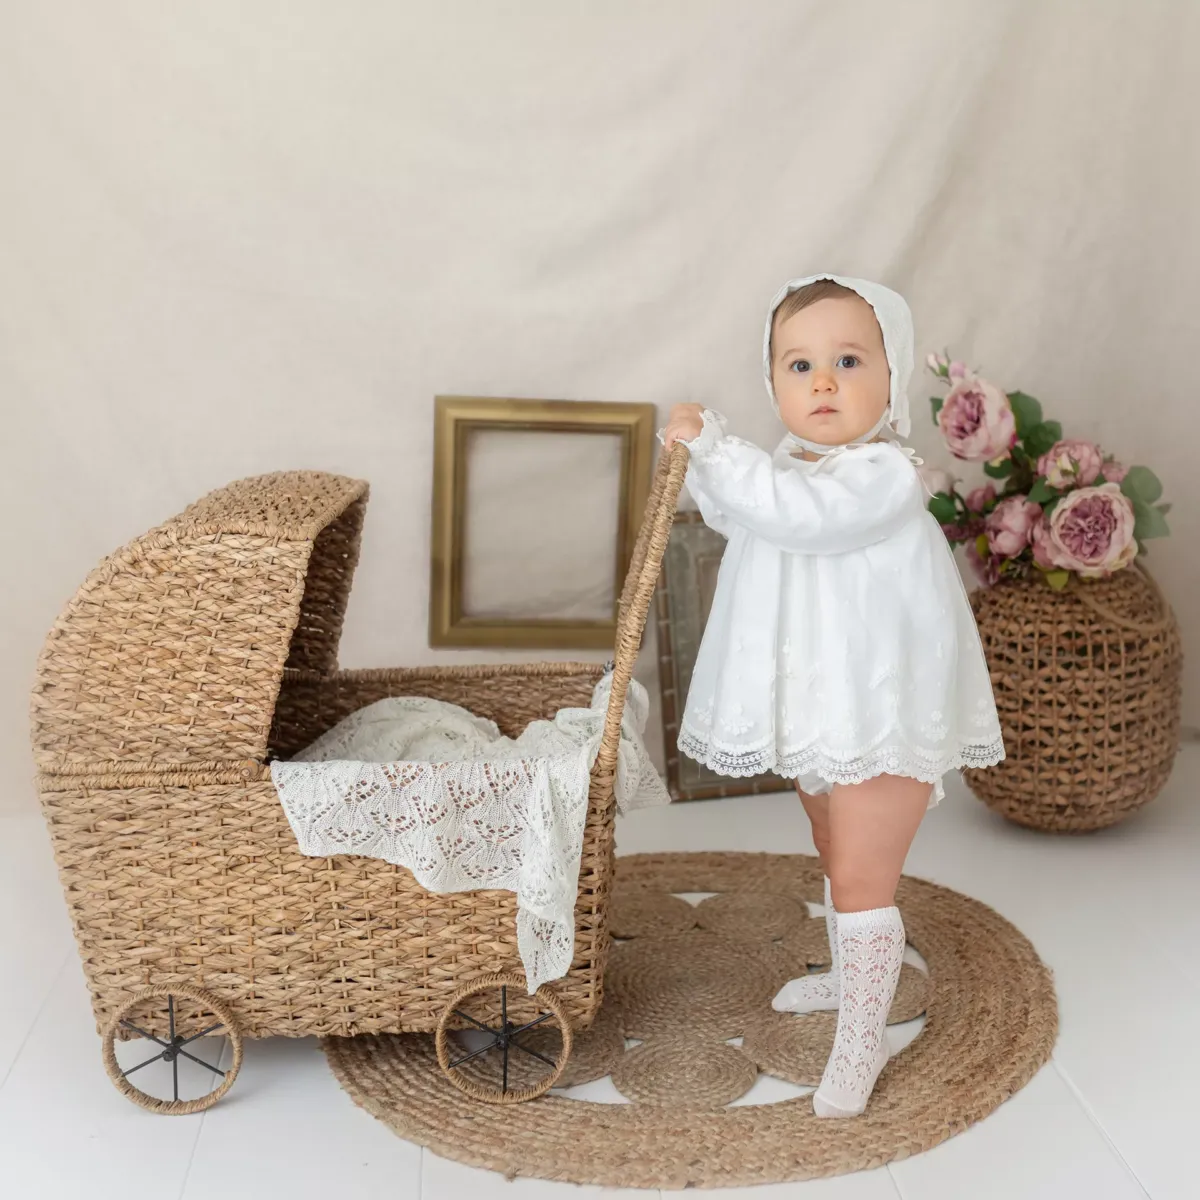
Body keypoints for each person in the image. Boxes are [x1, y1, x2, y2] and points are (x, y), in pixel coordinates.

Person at [660, 273, 1004, 1117]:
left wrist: (718, 451)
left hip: (878, 706)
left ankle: (863, 1035)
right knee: (827, 833)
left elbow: (798, 516)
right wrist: (703, 466)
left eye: (848, 360)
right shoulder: (791, 465)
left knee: (860, 867)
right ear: (772, 381)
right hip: (823, 701)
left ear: (890, 383)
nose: (821, 382)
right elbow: (748, 514)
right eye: (798, 364)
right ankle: (852, 976)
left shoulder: (881, 475)